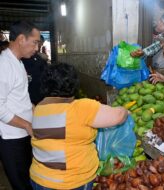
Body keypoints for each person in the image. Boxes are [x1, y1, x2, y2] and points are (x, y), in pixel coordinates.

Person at [30, 63, 128, 189]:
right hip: (71, 182)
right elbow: (119, 116)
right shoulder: (79, 107)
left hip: (39, 179)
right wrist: (125, 110)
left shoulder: (39, 108)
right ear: (73, 84)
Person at [0, 21, 40, 190]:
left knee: (28, 178)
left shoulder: (18, 62)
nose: (37, 48)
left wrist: (35, 111)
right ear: (21, 39)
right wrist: (27, 125)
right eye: (35, 42)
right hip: (12, 138)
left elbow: (21, 97)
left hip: (23, 133)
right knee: (22, 184)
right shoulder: (4, 65)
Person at [22, 35, 48, 105]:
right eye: (35, 42)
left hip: (39, 94)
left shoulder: (39, 58)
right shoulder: (22, 58)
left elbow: (45, 73)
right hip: (28, 97)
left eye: (40, 43)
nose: (39, 45)